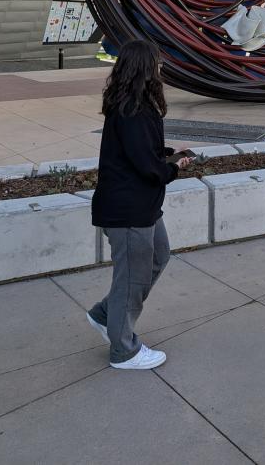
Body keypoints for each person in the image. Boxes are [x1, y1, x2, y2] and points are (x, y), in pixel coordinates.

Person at [87, 39, 191, 370]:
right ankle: (123, 349)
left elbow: (140, 153)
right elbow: (148, 168)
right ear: (146, 70)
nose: (160, 70)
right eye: (157, 65)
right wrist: (172, 167)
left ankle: (107, 314)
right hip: (128, 211)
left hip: (138, 208)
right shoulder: (133, 110)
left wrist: (163, 154)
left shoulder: (132, 106)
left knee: (159, 255)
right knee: (132, 277)